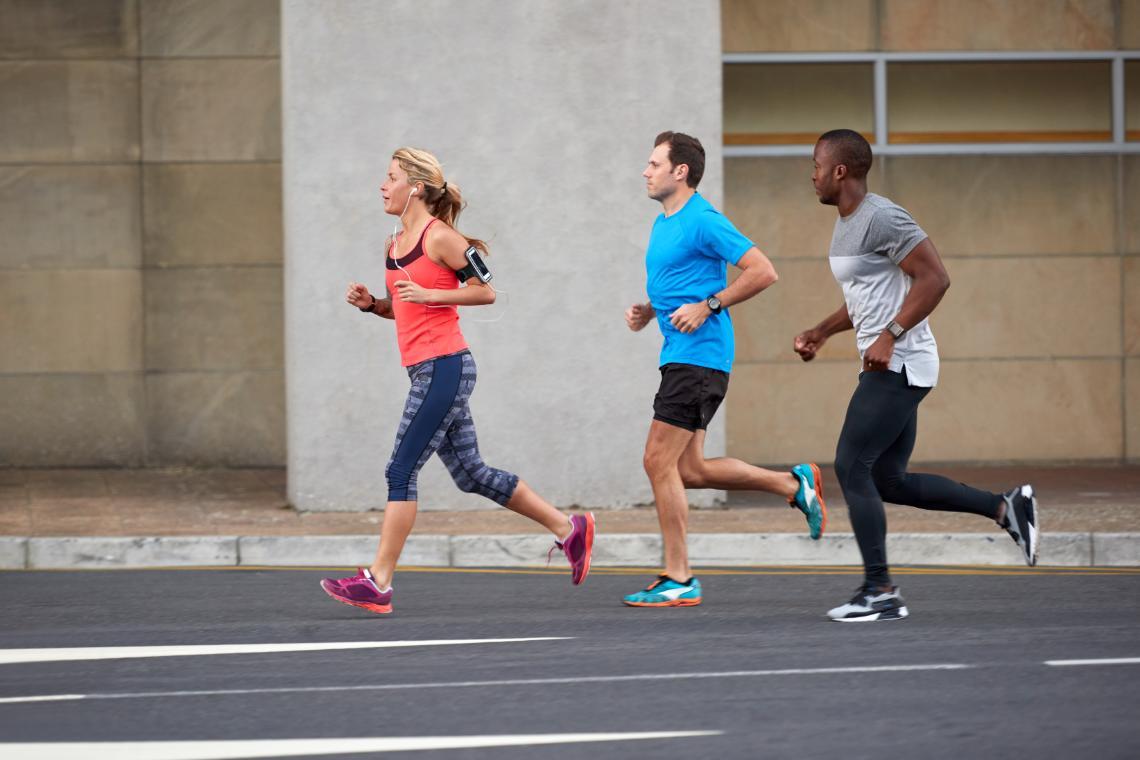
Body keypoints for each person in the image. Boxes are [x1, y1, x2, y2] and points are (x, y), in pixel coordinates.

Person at [320, 147, 594, 615]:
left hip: (445, 368)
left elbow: (486, 290)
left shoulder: (440, 237)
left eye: (390, 178)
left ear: (416, 189)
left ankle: (378, 582)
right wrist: (372, 305)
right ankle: (569, 529)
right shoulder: (393, 244)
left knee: (400, 471)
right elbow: (401, 308)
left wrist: (430, 291)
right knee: (470, 474)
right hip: (426, 369)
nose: (382, 186)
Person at [795, 129, 1039, 623]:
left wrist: (891, 333)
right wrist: (822, 331)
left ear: (840, 171)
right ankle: (1005, 507)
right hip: (893, 363)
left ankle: (880, 590)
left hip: (899, 364)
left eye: (817, 165)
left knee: (849, 467)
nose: (812, 174)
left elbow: (936, 277)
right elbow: (865, 294)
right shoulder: (848, 225)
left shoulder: (883, 216)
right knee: (887, 480)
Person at [622, 131, 828, 608]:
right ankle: (792, 484)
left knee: (657, 461)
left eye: (654, 163)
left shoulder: (704, 220)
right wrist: (650, 310)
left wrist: (709, 304)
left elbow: (763, 270)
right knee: (688, 470)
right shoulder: (663, 223)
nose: (645, 171)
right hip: (681, 355)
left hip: (700, 356)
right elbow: (678, 282)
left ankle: (680, 577)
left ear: (681, 172)